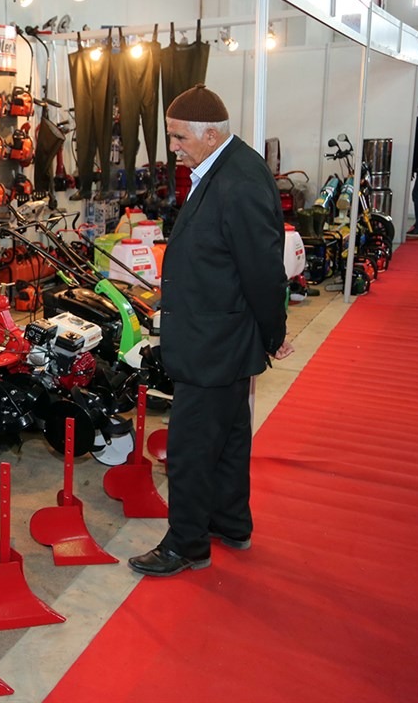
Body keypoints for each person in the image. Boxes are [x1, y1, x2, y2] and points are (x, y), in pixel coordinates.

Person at [129, 84, 294, 577]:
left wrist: (274, 334)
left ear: (211, 134)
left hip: (215, 344)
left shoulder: (238, 181)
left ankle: (187, 544)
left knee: (191, 448)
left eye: (179, 137)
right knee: (229, 439)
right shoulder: (224, 168)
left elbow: (263, 272)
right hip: (219, 338)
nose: (173, 147)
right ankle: (230, 521)